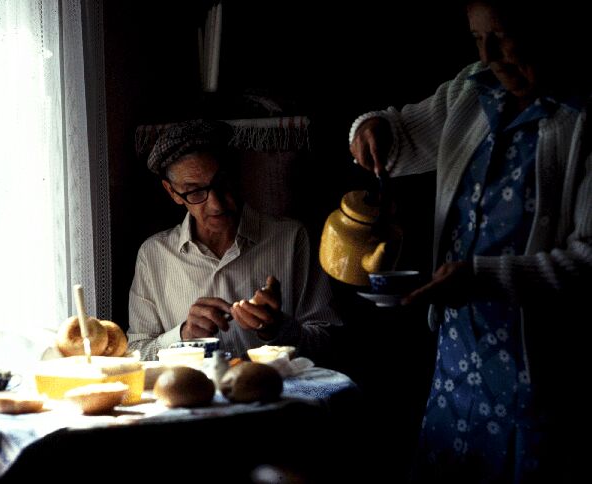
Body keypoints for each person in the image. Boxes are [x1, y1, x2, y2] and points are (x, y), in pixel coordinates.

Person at [348, 0, 591, 482]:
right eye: (478, 39)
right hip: (459, 355)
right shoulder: (473, 89)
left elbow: (588, 258)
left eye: (502, 37)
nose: (490, 56)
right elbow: (397, 137)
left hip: (546, 367)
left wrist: (480, 277)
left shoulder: (580, 117)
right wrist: (371, 129)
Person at [127, 119, 342, 363]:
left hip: (274, 387)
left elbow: (329, 343)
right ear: (173, 192)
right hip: (191, 389)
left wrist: (278, 330)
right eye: (195, 191)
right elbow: (136, 353)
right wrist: (183, 335)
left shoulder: (292, 239)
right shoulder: (153, 255)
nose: (216, 205)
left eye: (222, 183)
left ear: (238, 174)